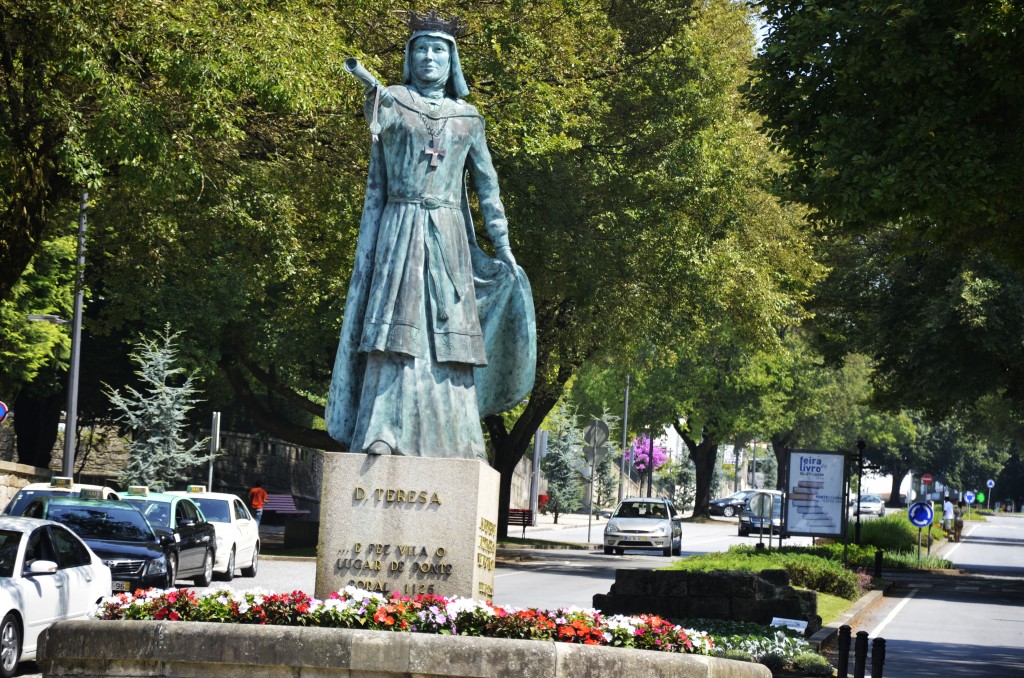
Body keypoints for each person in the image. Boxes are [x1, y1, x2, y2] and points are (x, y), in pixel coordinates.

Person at [325, 10, 535, 460]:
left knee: (449, 338)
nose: (428, 57)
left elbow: (487, 187)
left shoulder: (468, 118)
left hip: (449, 236)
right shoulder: (393, 102)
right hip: (399, 228)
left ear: (451, 60)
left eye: (438, 49)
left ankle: (460, 439)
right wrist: (378, 101)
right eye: (420, 48)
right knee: (393, 334)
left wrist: (503, 246)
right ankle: (381, 429)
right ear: (409, 56)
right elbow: (378, 141)